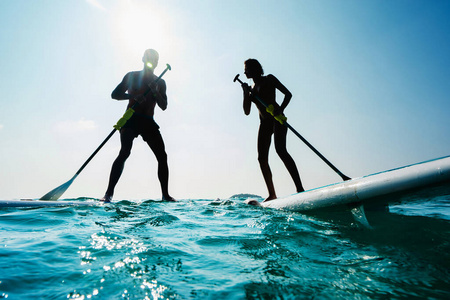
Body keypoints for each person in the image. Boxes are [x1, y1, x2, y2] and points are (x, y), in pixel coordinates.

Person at [101, 49, 175, 202]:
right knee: (125, 152)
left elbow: (164, 106)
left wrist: (156, 92)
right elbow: (114, 94)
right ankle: (108, 194)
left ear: (157, 63)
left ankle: (165, 195)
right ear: (142, 59)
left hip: (148, 121)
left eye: (154, 59)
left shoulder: (160, 82)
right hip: (131, 119)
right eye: (149, 58)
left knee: (162, 156)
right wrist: (133, 96)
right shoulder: (132, 76)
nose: (151, 61)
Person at [241, 59, 304, 202]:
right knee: (261, 158)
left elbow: (288, 94)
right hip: (264, 124)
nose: (244, 72)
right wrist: (245, 93)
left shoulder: (269, 79)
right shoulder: (251, 88)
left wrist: (280, 110)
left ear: (255, 69)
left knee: (281, 150)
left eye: (247, 69)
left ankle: (300, 188)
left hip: (277, 119)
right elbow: (246, 111)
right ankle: (272, 194)